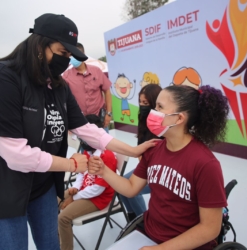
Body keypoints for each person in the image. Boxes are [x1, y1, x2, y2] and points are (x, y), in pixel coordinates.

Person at [0, 13, 156, 250]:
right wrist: (71, 165)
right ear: (40, 46)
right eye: (62, 53)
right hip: (2, 189)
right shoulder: (2, 79)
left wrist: (132, 150)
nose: (66, 60)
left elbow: (86, 129)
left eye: (69, 56)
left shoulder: (58, 86)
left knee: (50, 245)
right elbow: (16, 155)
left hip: (41, 186)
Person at [89, 85, 230, 250]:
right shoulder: (154, 149)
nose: (152, 112)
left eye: (159, 107)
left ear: (179, 119)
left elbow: (210, 229)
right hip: (148, 234)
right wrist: (103, 171)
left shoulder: (205, 164)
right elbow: (131, 188)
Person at [58, 114, 117, 250]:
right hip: (84, 191)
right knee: (53, 200)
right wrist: (75, 188)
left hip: (98, 198)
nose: (80, 137)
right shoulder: (88, 151)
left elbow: (98, 189)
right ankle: (57, 239)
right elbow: (81, 173)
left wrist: (74, 198)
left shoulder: (106, 156)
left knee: (63, 218)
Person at [120, 84, 162, 222]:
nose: (142, 106)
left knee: (132, 190)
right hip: (147, 165)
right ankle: (132, 219)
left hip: (160, 169)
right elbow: (140, 148)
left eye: (146, 103)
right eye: (140, 102)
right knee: (121, 185)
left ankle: (144, 222)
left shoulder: (163, 124)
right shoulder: (143, 119)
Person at [63, 43, 112, 131]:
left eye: (74, 56)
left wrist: (108, 114)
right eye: (70, 56)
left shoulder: (96, 71)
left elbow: (107, 91)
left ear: (82, 55)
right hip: (80, 122)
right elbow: (64, 100)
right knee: (83, 145)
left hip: (99, 120)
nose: (71, 59)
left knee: (104, 144)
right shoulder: (66, 76)